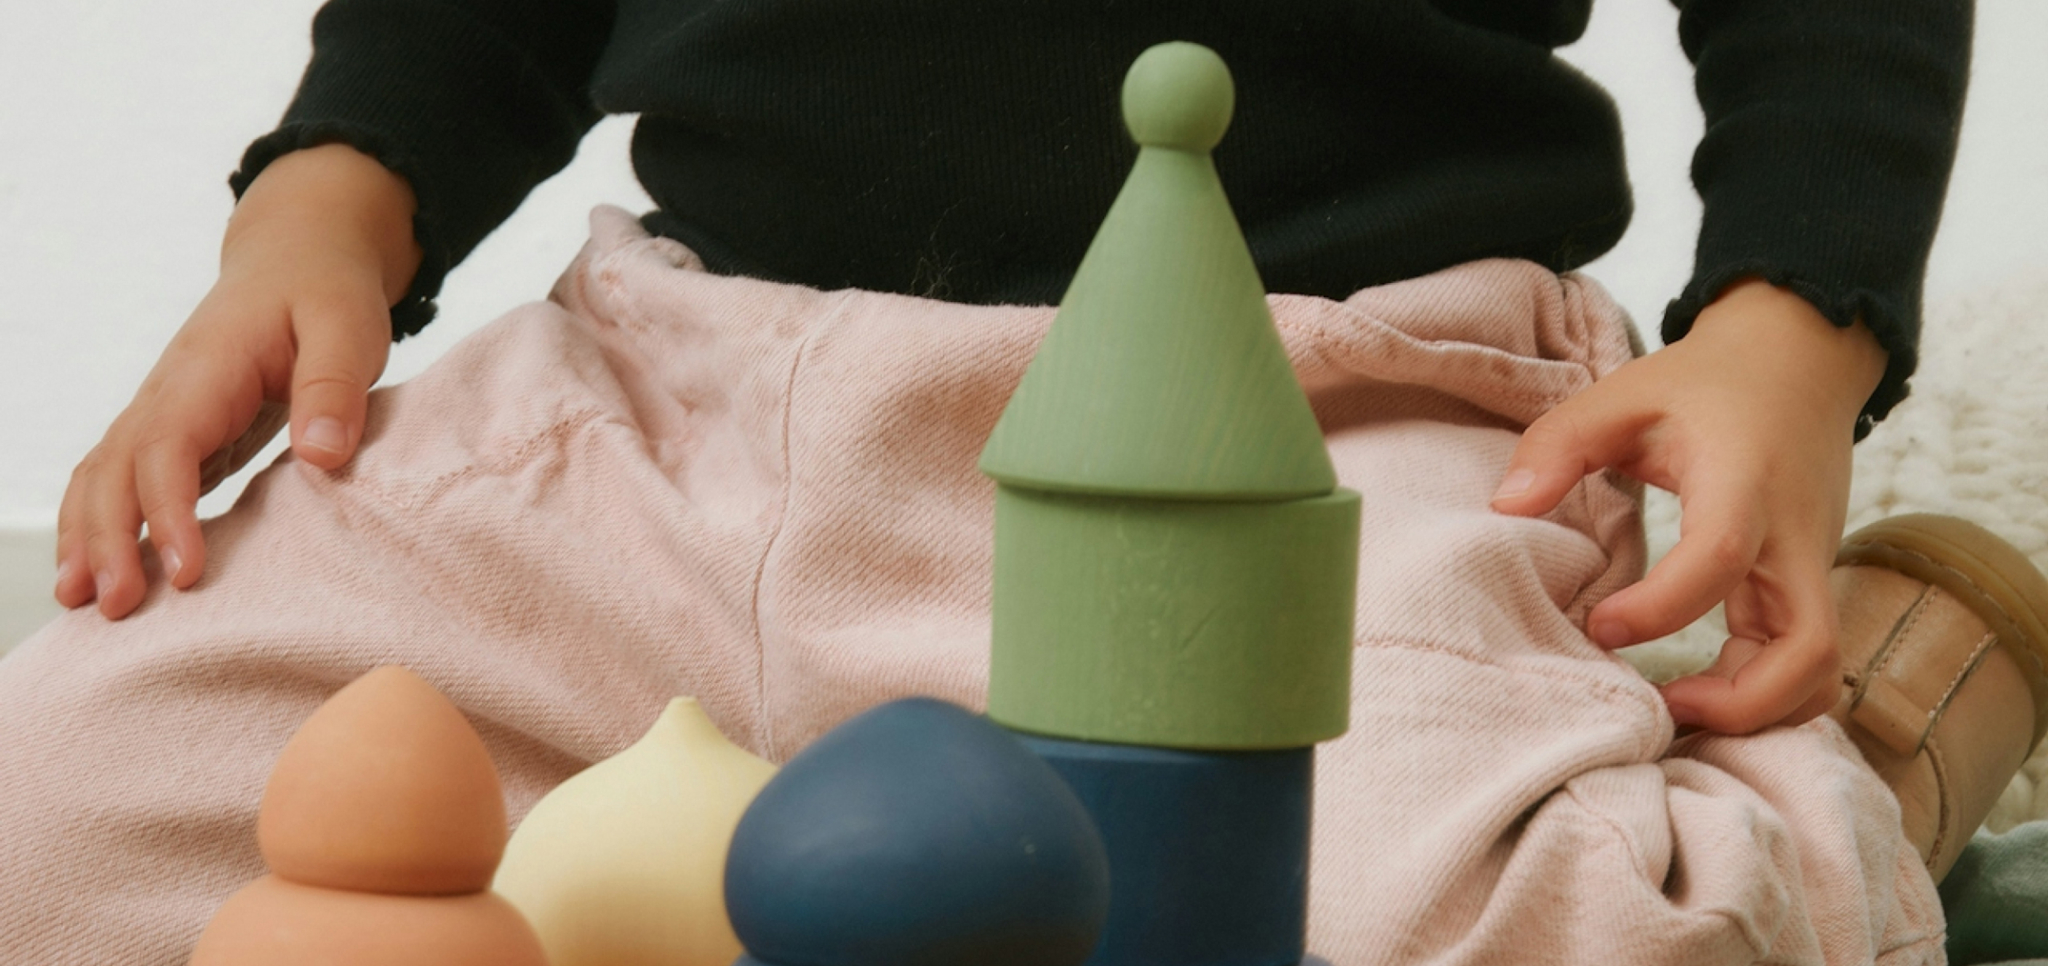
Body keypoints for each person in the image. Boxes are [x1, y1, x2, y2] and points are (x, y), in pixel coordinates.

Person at [4, 0, 2036, 962]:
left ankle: (1884, 709)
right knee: (60, 835)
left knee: (1554, 946)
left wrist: (1792, 320)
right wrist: (329, 202)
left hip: (1318, 412)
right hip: (690, 387)